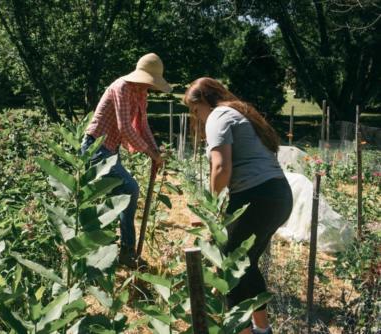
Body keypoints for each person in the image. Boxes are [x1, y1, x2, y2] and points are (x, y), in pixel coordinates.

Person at [183, 77, 293, 334]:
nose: (196, 116)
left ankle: (242, 331)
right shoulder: (237, 112)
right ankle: (262, 329)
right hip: (278, 194)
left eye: (195, 109)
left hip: (256, 196)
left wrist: (210, 209)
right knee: (246, 263)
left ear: (205, 102)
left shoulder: (218, 117)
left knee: (230, 266)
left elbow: (221, 167)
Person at [81, 53, 170, 268]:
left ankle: (118, 253)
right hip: (96, 148)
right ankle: (125, 251)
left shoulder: (140, 93)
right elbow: (125, 128)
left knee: (119, 198)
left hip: (111, 149)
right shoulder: (121, 87)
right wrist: (151, 153)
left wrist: (155, 151)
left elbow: (143, 125)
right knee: (129, 190)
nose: (148, 88)